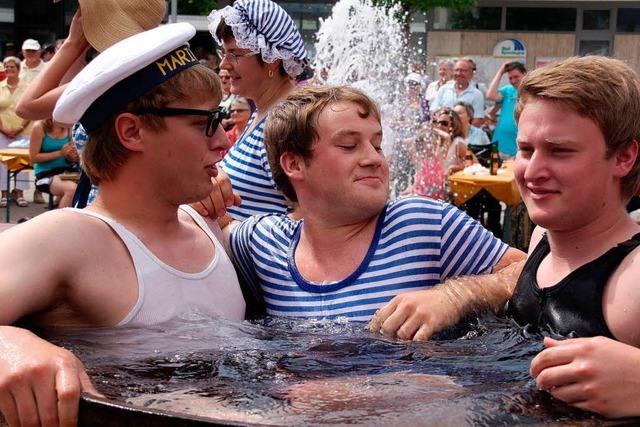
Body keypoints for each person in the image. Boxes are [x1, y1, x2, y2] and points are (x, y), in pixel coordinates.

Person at [0, 23, 247, 427]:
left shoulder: (207, 222)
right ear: (132, 131)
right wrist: (9, 344)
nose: (223, 140)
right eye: (205, 122)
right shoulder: (70, 237)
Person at [200, 85, 524, 328]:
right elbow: (212, 224)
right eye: (349, 145)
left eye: (377, 145)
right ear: (294, 164)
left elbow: (529, 271)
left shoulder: (423, 223)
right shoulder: (264, 243)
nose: (373, 158)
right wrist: (204, 186)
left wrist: (456, 295)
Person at [500, 56, 640, 417]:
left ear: (623, 157)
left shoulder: (633, 278)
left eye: (559, 151)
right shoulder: (541, 239)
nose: (533, 171)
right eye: (526, 150)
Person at [209, 0, 309, 220]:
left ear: (272, 59)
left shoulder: (287, 124)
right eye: (223, 53)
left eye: (235, 54)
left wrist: (233, 229)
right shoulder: (265, 112)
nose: (223, 64)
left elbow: (309, 215)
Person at [406, 107, 466, 200]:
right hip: (421, 195)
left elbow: (447, 137)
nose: (430, 146)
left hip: (437, 196)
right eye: (437, 122)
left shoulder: (439, 156)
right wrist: (424, 131)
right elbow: (408, 142)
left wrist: (433, 129)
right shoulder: (421, 160)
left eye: (434, 143)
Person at [0, 56, 32, 208]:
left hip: (23, 131)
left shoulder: (27, 87)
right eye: (6, 67)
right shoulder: (0, 86)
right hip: (2, 132)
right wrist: (3, 129)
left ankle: (19, 194)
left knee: (21, 163)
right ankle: (4, 194)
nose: (9, 69)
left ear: (18, 69)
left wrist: (20, 128)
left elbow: (30, 109)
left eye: (12, 66)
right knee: (2, 164)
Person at [28, 119, 79, 208]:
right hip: (46, 173)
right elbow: (33, 158)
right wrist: (60, 153)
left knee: (91, 185)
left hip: (68, 171)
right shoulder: (39, 127)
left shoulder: (69, 126)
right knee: (72, 190)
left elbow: (71, 157)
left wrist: (73, 155)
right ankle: (61, 216)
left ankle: (59, 206)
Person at [486, 61, 527, 157]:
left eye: (516, 77)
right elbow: (490, 95)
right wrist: (501, 72)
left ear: (525, 74)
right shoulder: (507, 90)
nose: (513, 81)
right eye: (510, 78)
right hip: (499, 146)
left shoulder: (532, 93)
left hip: (518, 149)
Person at [430, 58, 484, 127]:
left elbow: (477, 120)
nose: (459, 73)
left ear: (471, 74)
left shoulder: (476, 94)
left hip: (465, 133)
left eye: (463, 71)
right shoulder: (443, 89)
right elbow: (434, 112)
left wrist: (460, 131)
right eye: (456, 70)